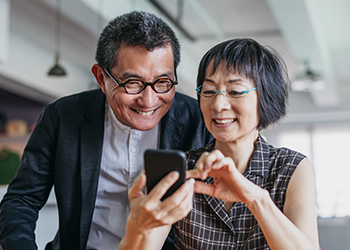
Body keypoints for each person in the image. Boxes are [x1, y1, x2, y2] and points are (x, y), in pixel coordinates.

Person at [0, 11, 212, 250]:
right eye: (133, 83)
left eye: (163, 82)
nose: (149, 100)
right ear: (101, 78)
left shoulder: (199, 119)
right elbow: (22, 199)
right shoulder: (62, 116)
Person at [123, 38, 320, 249]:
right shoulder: (184, 170)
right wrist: (137, 227)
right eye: (208, 91)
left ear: (266, 97)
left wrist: (255, 199)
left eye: (234, 92)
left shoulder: (291, 168)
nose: (218, 105)